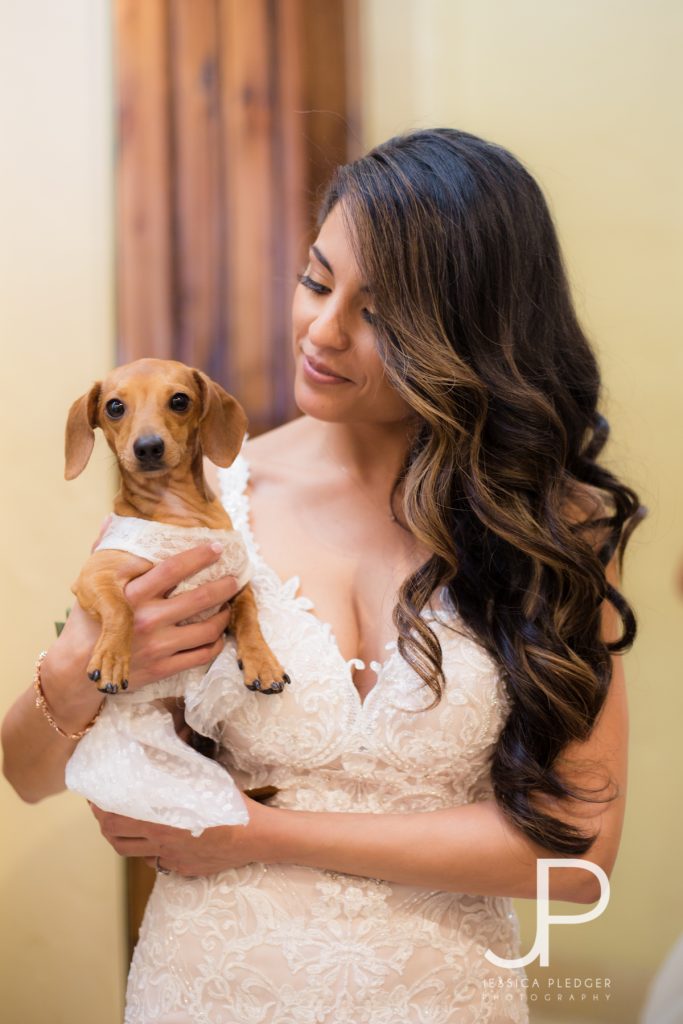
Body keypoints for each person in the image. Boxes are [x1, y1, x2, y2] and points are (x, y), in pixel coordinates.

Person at [2, 128, 644, 1023]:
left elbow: (574, 852)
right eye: (314, 279)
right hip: (208, 986)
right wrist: (78, 668)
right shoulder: (210, 503)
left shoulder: (557, 526)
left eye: (377, 313)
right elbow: (27, 774)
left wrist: (254, 834)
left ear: (469, 332)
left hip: (442, 997)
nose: (323, 329)